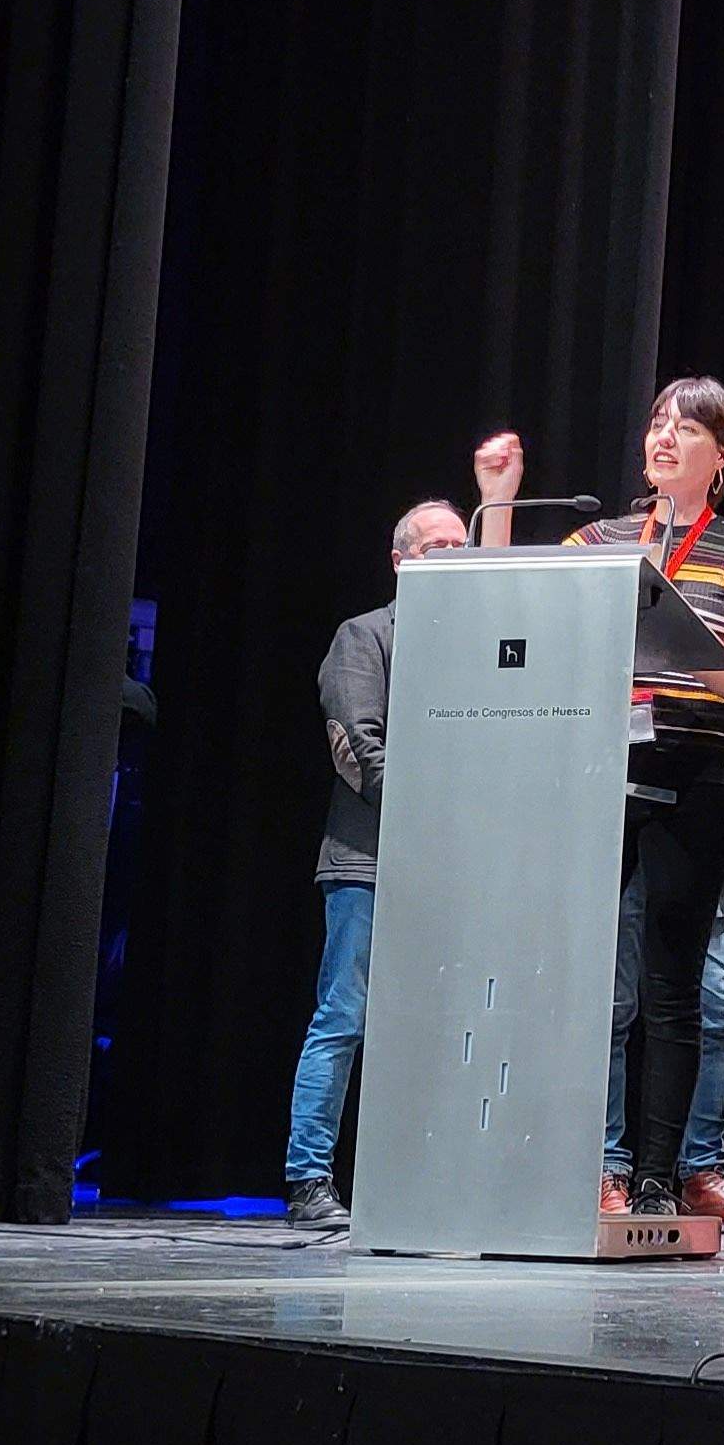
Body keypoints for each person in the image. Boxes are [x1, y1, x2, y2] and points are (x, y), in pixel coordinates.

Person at [470, 380, 724, 1218]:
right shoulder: (600, 535)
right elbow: (516, 606)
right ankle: (589, 1169)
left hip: (693, 772)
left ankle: (656, 1178)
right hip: (592, 770)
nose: (665, 437)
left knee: (675, 985)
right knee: (581, 982)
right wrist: (497, 503)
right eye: (656, 422)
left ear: (722, 455)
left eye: (687, 428)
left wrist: (685, 646)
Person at [281, 500, 473, 1226]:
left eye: (463, 545)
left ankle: (422, 1180)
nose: (452, 556)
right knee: (345, 1016)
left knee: (440, 1020)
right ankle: (308, 1178)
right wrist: (438, 822)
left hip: (454, 868)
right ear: (402, 561)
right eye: (436, 546)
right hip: (369, 857)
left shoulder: (482, 643)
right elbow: (362, 749)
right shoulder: (365, 636)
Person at [602, 894, 724, 1229]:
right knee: (613, 1011)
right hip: (619, 857)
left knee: (716, 1014)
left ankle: (702, 1171)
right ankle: (606, 1169)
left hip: (694, 857)